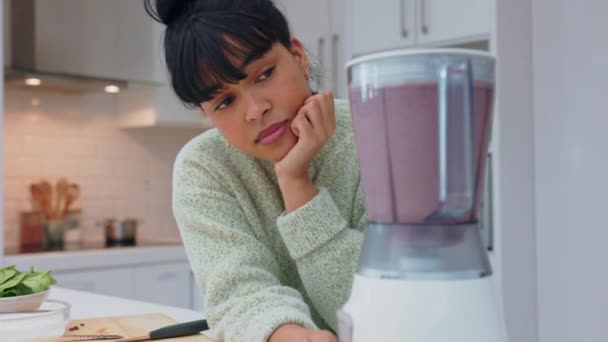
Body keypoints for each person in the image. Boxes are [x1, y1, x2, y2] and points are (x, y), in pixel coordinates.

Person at [144, 1, 367, 341]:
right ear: (208, 114)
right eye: (225, 102)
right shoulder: (204, 167)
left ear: (298, 55)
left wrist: (297, 185)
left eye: (264, 74)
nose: (255, 110)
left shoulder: (374, 136)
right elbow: (239, 294)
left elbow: (371, 309)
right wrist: (286, 334)